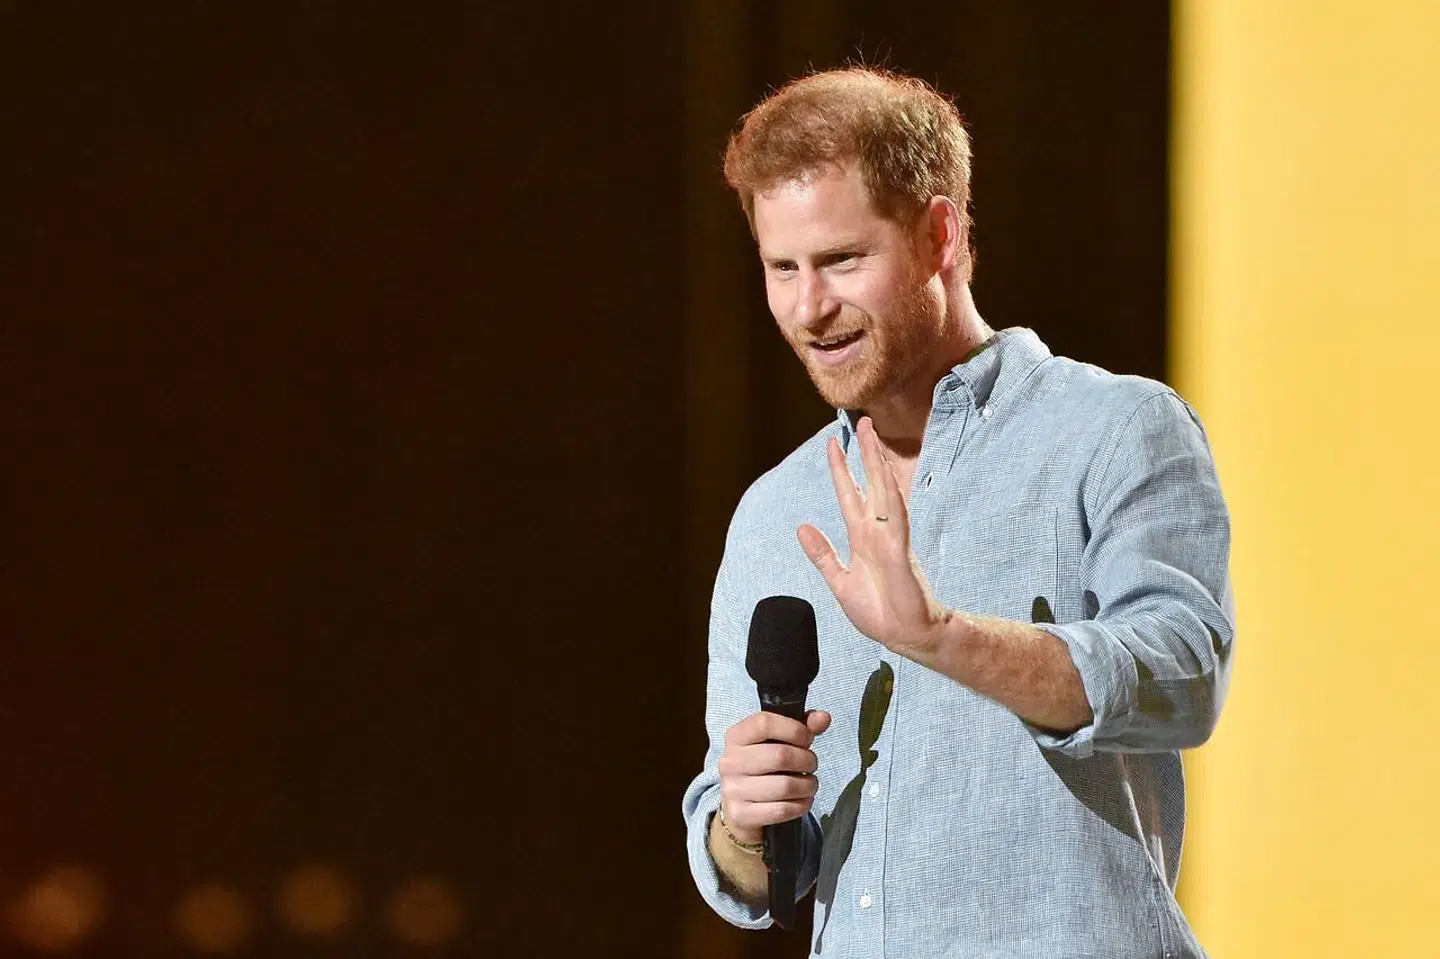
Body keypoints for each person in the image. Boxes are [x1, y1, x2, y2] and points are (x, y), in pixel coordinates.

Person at [680, 67, 1234, 958]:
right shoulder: (774, 513)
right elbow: (761, 876)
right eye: (781, 268)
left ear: (940, 233)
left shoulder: (1116, 429)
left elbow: (1183, 676)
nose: (808, 307)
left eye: (840, 260)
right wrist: (743, 825)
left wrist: (940, 636)